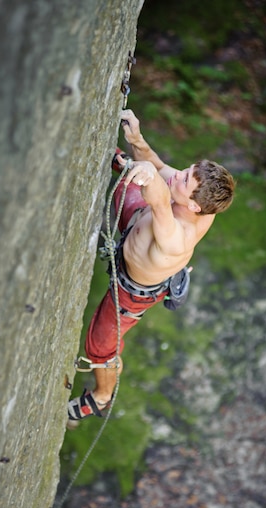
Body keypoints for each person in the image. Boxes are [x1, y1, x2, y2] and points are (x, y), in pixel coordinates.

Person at [67, 109, 235, 424]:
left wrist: (144, 173)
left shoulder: (179, 238)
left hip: (133, 290)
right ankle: (125, 167)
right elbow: (159, 169)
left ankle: (101, 397)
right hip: (138, 226)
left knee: (101, 348)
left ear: (193, 207)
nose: (180, 174)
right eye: (188, 169)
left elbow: (158, 199)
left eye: (186, 178)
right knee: (127, 180)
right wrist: (136, 139)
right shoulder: (197, 198)